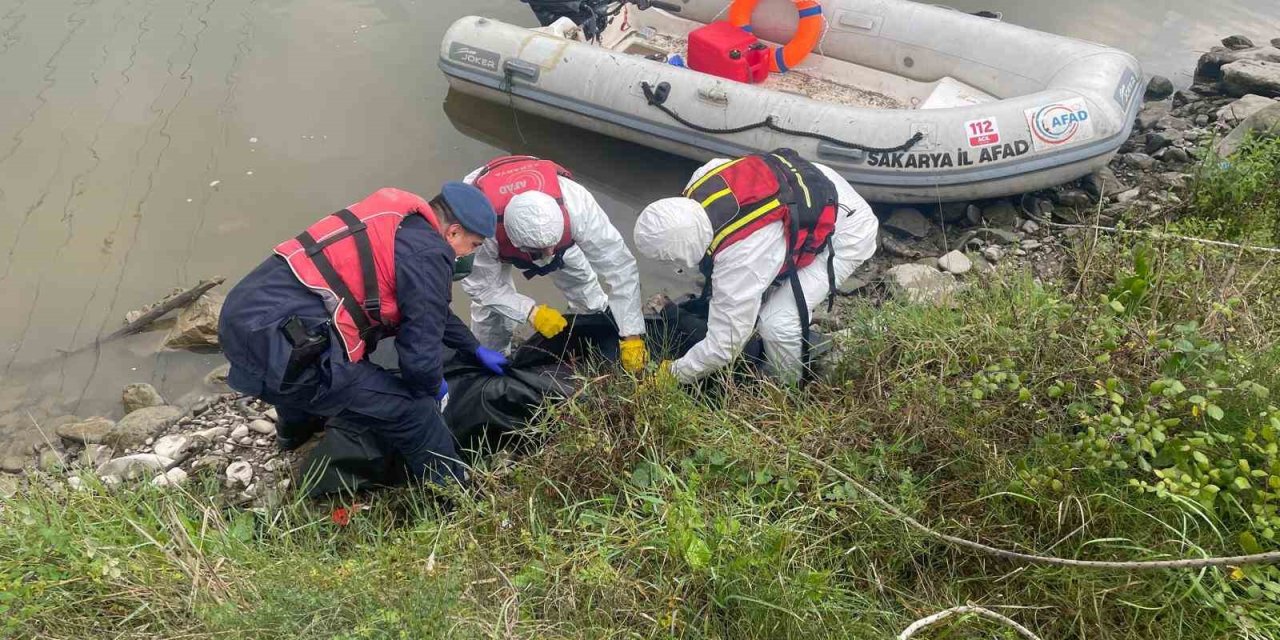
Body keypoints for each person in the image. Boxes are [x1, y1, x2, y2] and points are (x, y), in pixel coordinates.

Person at [217, 184, 509, 486]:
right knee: (416, 413)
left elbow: (429, 308)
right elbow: (419, 362)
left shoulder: (399, 220)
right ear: (454, 233)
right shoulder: (430, 254)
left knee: (295, 366)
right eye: (473, 245)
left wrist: (472, 348)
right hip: (284, 345)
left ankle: (292, 436)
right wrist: (433, 387)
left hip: (244, 318)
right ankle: (454, 496)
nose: (470, 254)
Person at [633, 149, 878, 384]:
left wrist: (671, 374)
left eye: (670, 256)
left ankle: (786, 388)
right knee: (755, 299)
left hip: (846, 229)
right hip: (808, 185)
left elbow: (724, 347)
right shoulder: (700, 181)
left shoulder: (743, 258)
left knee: (777, 322)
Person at [460, 155, 648, 372]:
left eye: (552, 245)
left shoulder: (577, 205)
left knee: (582, 284)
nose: (548, 254)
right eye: (538, 252)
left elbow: (620, 267)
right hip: (492, 215)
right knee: (491, 314)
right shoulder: (479, 224)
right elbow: (482, 287)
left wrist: (631, 333)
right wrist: (530, 312)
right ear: (512, 239)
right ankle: (493, 359)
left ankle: (591, 323)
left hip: (554, 226)